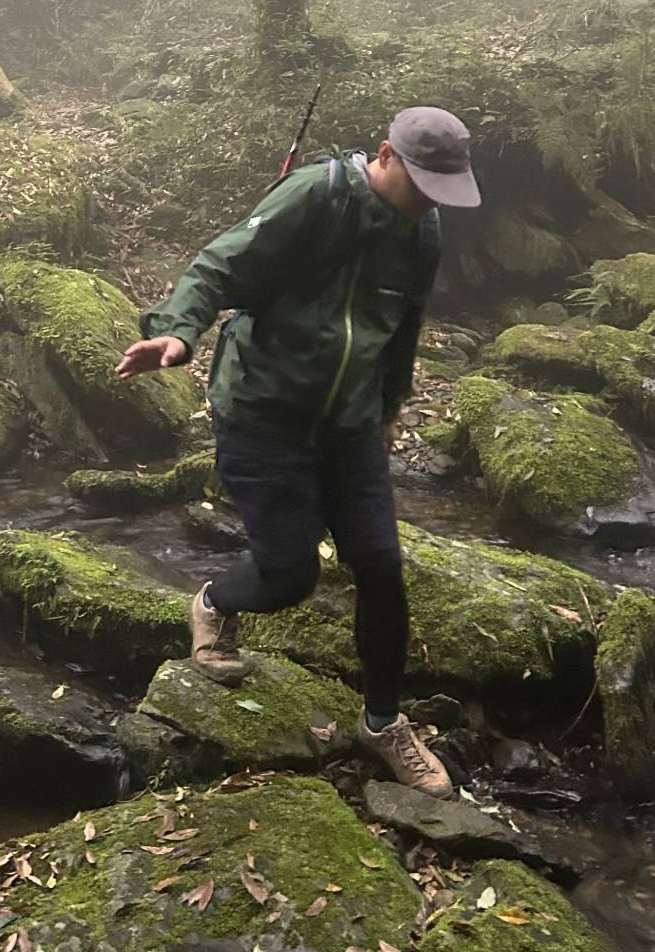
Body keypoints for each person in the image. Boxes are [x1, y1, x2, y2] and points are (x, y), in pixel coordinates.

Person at [116, 105, 480, 797]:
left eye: (441, 191)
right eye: (421, 185)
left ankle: (383, 723)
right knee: (289, 577)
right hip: (264, 414)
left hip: (349, 425)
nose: (428, 203)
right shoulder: (319, 195)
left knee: (381, 567)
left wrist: (388, 410)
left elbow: (401, 330)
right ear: (386, 155)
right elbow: (219, 263)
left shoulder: (423, 234)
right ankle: (214, 603)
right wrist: (178, 333)